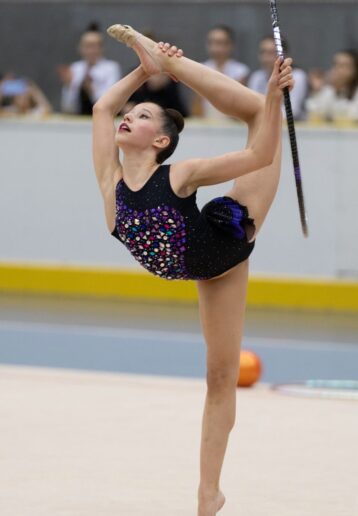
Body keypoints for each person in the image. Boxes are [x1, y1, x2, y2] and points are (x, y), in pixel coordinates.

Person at [93, 23, 293, 516]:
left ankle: (208, 493)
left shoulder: (179, 174)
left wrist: (274, 98)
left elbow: (262, 154)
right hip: (205, 270)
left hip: (229, 237)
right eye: (130, 113)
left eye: (141, 115)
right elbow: (101, 108)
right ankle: (211, 492)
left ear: (161, 140)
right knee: (219, 377)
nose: (126, 116)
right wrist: (143, 71)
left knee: (257, 113)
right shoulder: (110, 184)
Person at [58, 23, 121, 115]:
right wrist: (68, 86)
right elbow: (67, 107)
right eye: (87, 46)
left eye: (94, 46)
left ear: (102, 48)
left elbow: (111, 101)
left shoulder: (111, 68)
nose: (91, 50)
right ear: (80, 48)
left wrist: (91, 89)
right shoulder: (75, 68)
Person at [123, 32, 189, 117]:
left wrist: (165, 84)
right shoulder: (133, 73)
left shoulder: (168, 75)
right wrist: (126, 107)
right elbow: (122, 104)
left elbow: (181, 112)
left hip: (163, 115)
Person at [194, 25, 250, 119]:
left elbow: (241, 104)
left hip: (232, 120)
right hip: (207, 120)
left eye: (219, 43)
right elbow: (197, 104)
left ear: (230, 45)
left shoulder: (240, 70)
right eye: (211, 42)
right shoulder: (200, 67)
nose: (214, 47)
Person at [248, 36, 308, 120]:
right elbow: (251, 106)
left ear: (284, 55)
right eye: (263, 52)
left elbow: (292, 111)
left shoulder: (296, 76)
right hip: (263, 123)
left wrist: (259, 114)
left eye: (271, 53)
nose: (265, 57)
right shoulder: (256, 77)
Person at [306, 49, 358, 122]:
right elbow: (314, 112)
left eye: (343, 65)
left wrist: (338, 91)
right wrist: (317, 91)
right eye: (335, 65)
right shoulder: (328, 89)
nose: (338, 69)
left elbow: (356, 115)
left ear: (355, 69)